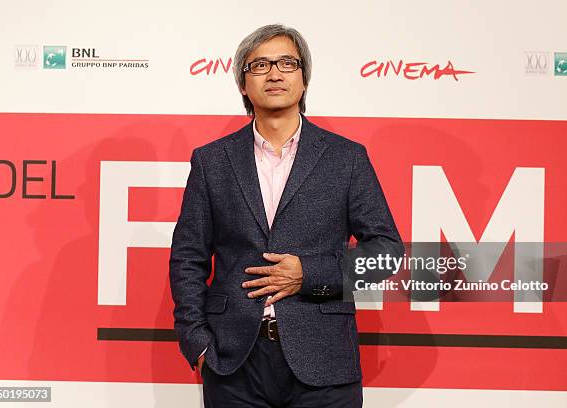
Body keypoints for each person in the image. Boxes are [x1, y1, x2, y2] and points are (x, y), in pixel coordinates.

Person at [169, 23, 403, 407]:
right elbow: (188, 257)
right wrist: (196, 342)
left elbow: (387, 251)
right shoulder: (212, 161)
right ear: (243, 84)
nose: (274, 73)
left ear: (304, 79)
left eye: (286, 63)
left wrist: (308, 274)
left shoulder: (346, 159)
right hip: (234, 362)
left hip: (325, 363)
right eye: (259, 65)